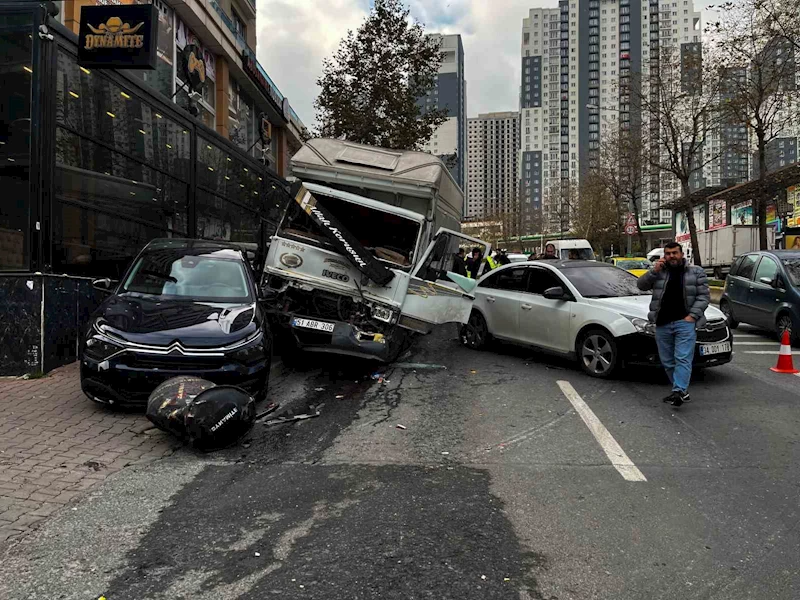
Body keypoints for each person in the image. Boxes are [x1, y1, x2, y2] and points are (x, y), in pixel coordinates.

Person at [637, 241, 710, 407]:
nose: (671, 256)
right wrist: (653, 271)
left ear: (681, 254)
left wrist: (692, 316)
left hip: (685, 323)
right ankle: (681, 390)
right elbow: (641, 285)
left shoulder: (696, 272)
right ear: (664, 255)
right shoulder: (659, 272)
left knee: (682, 358)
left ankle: (679, 391)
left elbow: (704, 297)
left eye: (674, 253)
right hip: (662, 322)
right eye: (668, 253)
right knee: (667, 361)